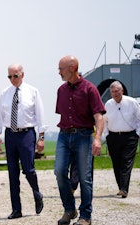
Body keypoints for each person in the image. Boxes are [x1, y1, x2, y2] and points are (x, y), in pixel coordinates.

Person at [54, 55, 105, 225]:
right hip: (63, 135)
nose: (59, 72)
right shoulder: (61, 90)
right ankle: (70, 210)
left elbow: (99, 116)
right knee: (60, 172)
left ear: (72, 68)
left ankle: (85, 216)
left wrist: (97, 139)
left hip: (83, 137)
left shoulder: (90, 89)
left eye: (61, 69)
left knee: (85, 178)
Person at [0, 64, 47, 219]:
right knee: (12, 173)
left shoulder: (33, 92)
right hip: (10, 134)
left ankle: (37, 193)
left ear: (22, 74)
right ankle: (16, 209)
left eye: (15, 76)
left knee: (28, 169)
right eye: (9, 76)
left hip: (26, 134)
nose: (12, 79)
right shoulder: (4, 93)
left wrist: (41, 137)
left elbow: (40, 115)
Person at [104, 81, 140, 198]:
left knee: (126, 161)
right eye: (112, 92)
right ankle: (121, 187)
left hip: (130, 137)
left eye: (117, 91)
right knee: (116, 162)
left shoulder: (132, 102)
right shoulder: (108, 104)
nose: (114, 94)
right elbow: (104, 120)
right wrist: (106, 134)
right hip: (113, 137)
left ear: (122, 91)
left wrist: (137, 134)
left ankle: (124, 188)